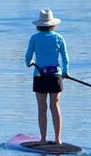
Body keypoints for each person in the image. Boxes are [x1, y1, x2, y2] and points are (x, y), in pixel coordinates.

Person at [25, 8, 69, 145]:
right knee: (55, 106)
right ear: (53, 24)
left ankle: (43, 139)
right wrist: (65, 72)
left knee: (42, 107)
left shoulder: (34, 38)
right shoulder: (59, 38)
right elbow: (65, 58)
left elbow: (27, 59)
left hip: (40, 75)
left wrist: (31, 63)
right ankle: (58, 139)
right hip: (55, 76)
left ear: (39, 24)